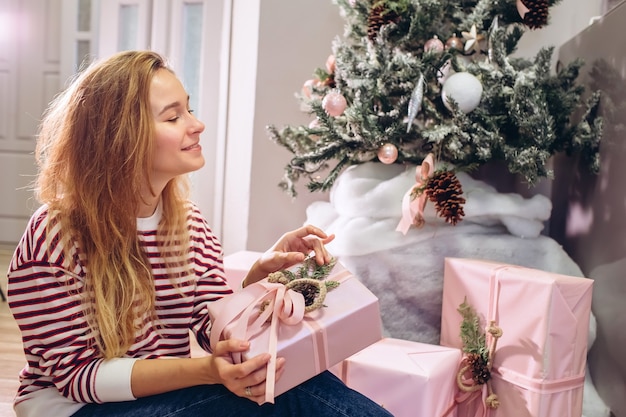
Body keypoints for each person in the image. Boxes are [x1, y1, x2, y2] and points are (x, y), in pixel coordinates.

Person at [7, 50, 392, 417]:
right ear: (120, 138)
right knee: (279, 401)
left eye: (188, 108)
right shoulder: (55, 234)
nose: (197, 124)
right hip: (77, 409)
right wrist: (209, 371)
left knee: (286, 380)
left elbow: (213, 331)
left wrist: (261, 276)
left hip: (164, 398)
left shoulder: (187, 223)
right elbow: (78, 377)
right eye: (173, 117)